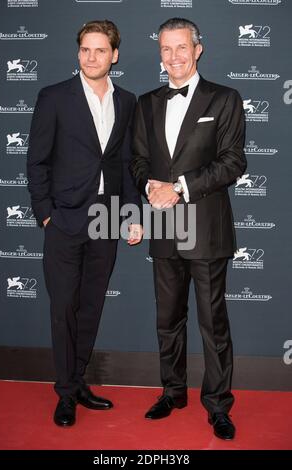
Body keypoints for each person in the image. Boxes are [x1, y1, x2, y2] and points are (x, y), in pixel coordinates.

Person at [130, 18, 247, 440]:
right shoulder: (146, 103)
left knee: (213, 324)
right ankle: (172, 391)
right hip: (164, 227)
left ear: (198, 49)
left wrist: (179, 188)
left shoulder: (226, 98)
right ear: (159, 53)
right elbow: (139, 161)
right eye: (166, 49)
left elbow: (234, 162)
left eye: (182, 48)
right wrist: (149, 186)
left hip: (207, 227)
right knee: (168, 320)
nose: (174, 57)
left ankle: (218, 405)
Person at [27, 20, 142, 427]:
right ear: (78, 53)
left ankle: (78, 383)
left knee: (91, 306)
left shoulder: (127, 101)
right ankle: (64, 393)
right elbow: (36, 161)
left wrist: (130, 214)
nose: (91, 57)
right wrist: (46, 213)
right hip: (64, 220)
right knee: (64, 309)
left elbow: (126, 163)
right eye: (85, 50)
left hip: (106, 219)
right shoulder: (54, 97)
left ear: (114, 55)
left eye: (99, 50)